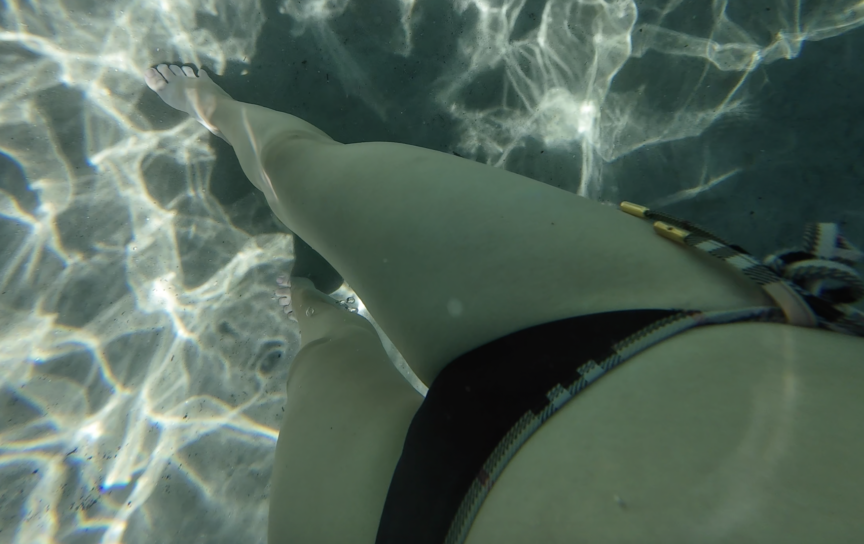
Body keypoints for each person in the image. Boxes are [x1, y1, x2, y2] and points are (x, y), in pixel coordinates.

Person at [144, 63, 864, 544]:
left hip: (413, 522)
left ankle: (311, 309)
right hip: (656, 321)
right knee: (299, 172)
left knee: (326, 357)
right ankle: (222, 108)